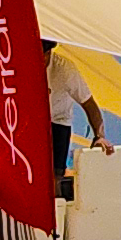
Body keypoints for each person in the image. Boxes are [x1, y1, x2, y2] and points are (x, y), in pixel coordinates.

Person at [39, 39, 103, 194]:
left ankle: (56, 212)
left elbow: (88, 103)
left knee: (56, 174)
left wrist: (99, 136)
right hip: (30, 120)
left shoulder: (65, 69)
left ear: (49, 53)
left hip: (58, 121)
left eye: (41, 56)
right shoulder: (20, 64)